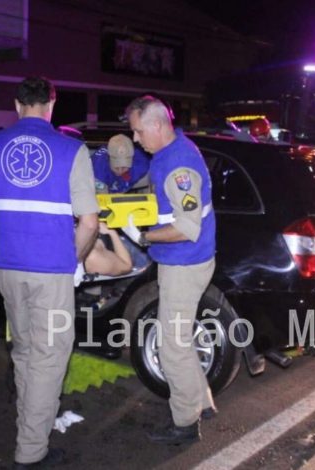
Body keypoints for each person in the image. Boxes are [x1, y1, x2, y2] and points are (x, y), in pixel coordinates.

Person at [0, 76, 98, 468]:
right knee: (49, 357)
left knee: (25, 352)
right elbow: (90, 223)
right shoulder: (72, 150)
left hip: (8, 269)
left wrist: (7, 251)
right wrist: (71, 261)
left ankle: (31, 429)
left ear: (16, 104)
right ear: (51, 104)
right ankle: (31, 450)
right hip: (52, 271)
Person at [122, 95, 217, 445]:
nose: (135, 139)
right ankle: (202, 403)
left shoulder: (179, 166)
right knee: (179, 338)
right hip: (184, 261)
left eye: (137, 131)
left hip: (185, 263)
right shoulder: (167, 154)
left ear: (158, 126)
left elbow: (187, 227)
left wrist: (143, 237)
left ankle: (185, 423)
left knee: (170, 346)